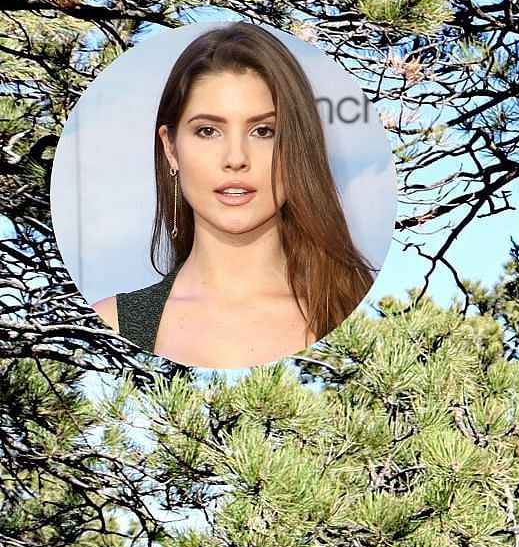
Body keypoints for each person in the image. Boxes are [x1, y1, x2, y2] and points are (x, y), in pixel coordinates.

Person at [91, 23, 375, 367]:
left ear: (297, 146)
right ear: (170, 148)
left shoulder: (363, 311)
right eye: (208, 131)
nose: (236, 158)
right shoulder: (111, 323)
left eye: (263, 131)